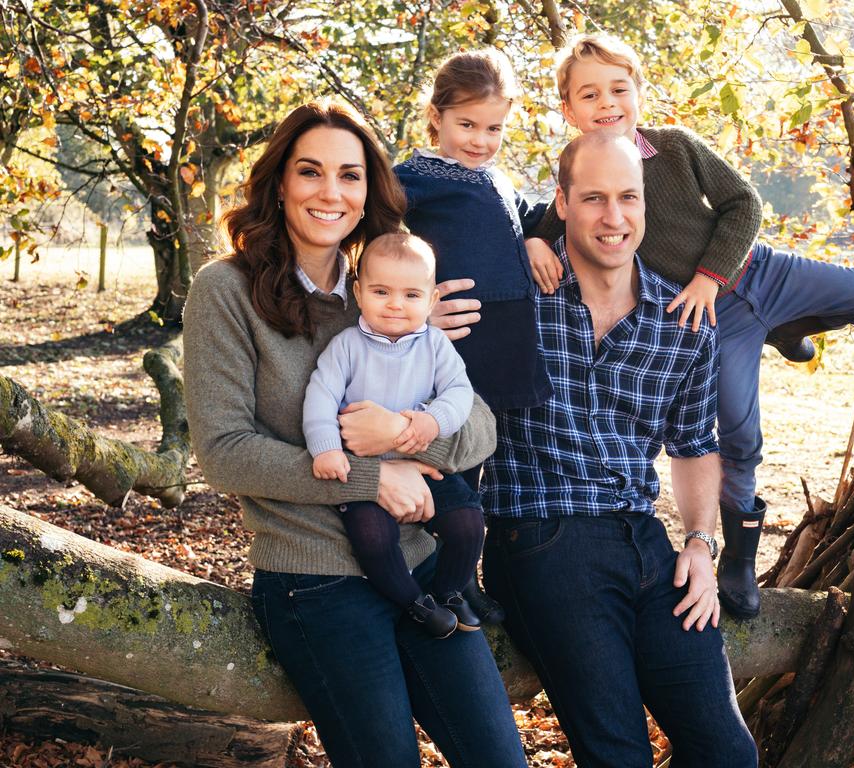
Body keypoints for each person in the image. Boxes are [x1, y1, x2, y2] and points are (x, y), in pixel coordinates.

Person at [182, 100, 527, 768]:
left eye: (350, 175)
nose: (330, 192)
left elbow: (479, 425)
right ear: (280, 182)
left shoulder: (389, 290)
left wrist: (405, 433)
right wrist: (374, 478)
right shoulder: (224, 291)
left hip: (423, 566)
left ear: (371, 191)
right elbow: (225, 454)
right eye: (310, 172)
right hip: (314, 580)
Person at [526, 34, 854, 619]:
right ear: (568, 110)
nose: (607, 103)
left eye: (620, 88)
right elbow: (553, 219)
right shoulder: (583, 174)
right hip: (713, 321)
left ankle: (787, 325)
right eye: (589, 94)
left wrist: (707, 275)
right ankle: (740, 563)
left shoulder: (674, 147)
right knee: (738, 436)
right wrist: (530, 241)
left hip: (759, 272)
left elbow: (743, 204)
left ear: (640, 92)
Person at [480, 131, 757, 767]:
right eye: (595, 198)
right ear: (562, 202)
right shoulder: (516, 296)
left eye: (628, 198)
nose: (614, 217)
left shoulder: (681, 320)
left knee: (727, 755)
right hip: (542, 537)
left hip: (646, 543)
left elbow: (692, 446)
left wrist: (699, 543)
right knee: (618, 756)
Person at [395, 48, 553, 624]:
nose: (481, 140)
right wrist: (414, 301)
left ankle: (469, 576)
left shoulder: (495, 176)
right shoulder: (414, 178)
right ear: (436, 116)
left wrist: (537, 236)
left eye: (494, 128)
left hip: (506, 341)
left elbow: (525, 213)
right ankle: (446, 578)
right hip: (460, 341)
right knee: (452, 463)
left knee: (480, 463)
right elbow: (374, 237)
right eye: (467, 125)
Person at [302, 232, 484, 638]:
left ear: (432, 300)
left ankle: (449, 591)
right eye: (381, 291)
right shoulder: (346, 346)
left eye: (411, 295)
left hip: (420, 465)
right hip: (364, 472)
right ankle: (413, 603)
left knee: (468, 521)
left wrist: (431, 422)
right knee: (373, 537)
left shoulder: (436, 345)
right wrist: (326, 449)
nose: (396, 305)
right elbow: (320, 397)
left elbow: (459, 393)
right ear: (359, 292)